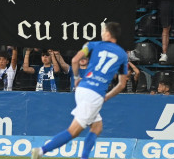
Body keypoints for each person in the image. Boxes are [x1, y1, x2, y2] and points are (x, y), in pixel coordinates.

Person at [31, 22, 128, 159]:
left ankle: (84, 157)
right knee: (73, 131)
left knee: (97, 127)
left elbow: (75, 60)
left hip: (82, 88)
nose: (101, 33)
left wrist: (76, 77)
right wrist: (107, 96)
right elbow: (122, 84)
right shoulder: (123, 55)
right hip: (95, 95)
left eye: (103, 31)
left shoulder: (92, 45)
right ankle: (41, 151)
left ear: (107, 34)